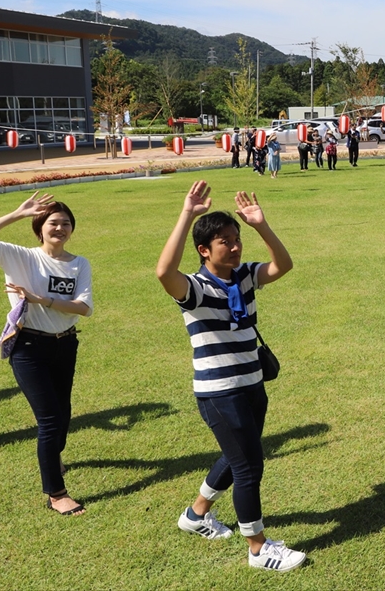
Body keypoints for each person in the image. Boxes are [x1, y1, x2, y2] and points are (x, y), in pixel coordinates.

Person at [157, 181, 305, 573]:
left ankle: (196, 513)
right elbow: (163, 271)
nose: (235, 246)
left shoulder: (246, 276)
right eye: (225, 241)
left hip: (253, 384)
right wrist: (187, 213)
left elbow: (283, 265)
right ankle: (258, 548)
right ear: (205, 250)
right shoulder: (194, 287)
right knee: (248, 467)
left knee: (238, 454)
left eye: (237, 239)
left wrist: (261, 225)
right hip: (220, 392)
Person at [0, 193, 93, 516]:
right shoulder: (19, 256)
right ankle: (56, 493)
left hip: (65, 344)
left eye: (66, 223)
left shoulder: (79, 264)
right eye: (53, 223)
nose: (60, 228)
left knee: (62, 413)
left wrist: (41, 299)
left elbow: (83, 308)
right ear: (40, 227)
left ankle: (53, 457)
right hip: (29, 348)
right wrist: (15, 214)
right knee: (50, 419)